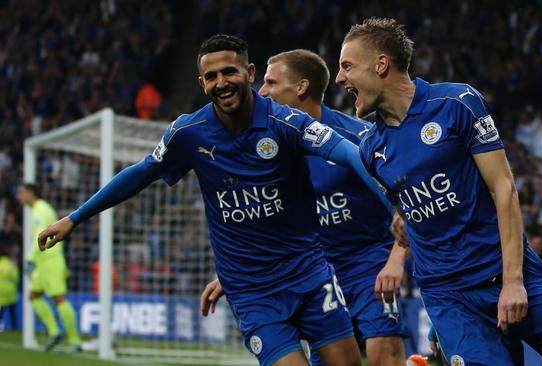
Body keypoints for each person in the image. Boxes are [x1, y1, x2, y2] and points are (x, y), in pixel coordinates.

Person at [38, 34, 393, 366]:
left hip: (310, 275)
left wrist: (396, 206)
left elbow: (348, 152)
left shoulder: (286, 122)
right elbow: (141, 172)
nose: (221, 82)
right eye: (211, 76)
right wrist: (76, 217)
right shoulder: (188, 133)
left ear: (249, 72)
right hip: (253, 292)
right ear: (201, 84)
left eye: (229, 71)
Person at [335, 18, 542, 365]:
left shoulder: (457, 103)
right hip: (453, 298)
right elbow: (411, 216)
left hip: (511, 272)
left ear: (381, 64)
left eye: (347, 66)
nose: (339, 79)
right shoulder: (371, 148)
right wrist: (439, 322)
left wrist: (513, 282)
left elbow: (504, 188)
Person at [260, 49, 408, 365]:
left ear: (301, 87)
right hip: (317, 271)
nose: (262, 92)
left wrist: (396, 260)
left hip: (369, 262)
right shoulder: (269, 150)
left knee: (386, 352)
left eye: (271, 82)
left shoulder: (357, 137)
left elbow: (403, 201)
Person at [17, 183, 81, 351]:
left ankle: (75, 341)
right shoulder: (38, 209)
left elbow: (40, 236)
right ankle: (54, 332)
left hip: (51, 260)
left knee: (59, 298)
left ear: (31, 193)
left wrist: (30, 259)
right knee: (33, 296)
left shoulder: (41, 209)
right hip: (43, 262)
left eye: (22, 192)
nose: (19, 196)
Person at [0, 244, 18, 331]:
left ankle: (1, 325)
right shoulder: (11, 264)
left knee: (1, 312)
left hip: (1, 293)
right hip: (10, 293)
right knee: (12, 312)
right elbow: (16, 277)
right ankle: (14, 328)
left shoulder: (0, 264)